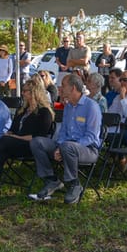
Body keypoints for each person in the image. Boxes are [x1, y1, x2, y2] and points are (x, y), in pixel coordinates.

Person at [0, 81, 54, 200]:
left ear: (35, 93)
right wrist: (9, 134)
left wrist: (14, 137)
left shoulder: (44, 112)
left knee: (4, 142)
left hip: (32, 146)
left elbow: (38, 137)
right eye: (23, 91)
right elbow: (12, 129)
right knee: (0, 152)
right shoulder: (22, 110)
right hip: (14, 144)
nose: (23, 94)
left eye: (25, 91)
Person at [28, 73, 102, 204]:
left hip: (88, 150)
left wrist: (65, 146)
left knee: (68, 146)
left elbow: (91, 136)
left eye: (63, 85)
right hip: (66, 146)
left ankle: (74, 183)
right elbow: (63, 132)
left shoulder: (91, 106)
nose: (60, 88)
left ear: (73, 88)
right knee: (37, 142)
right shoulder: (68, 106)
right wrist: (58, 147)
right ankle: (51, 180)